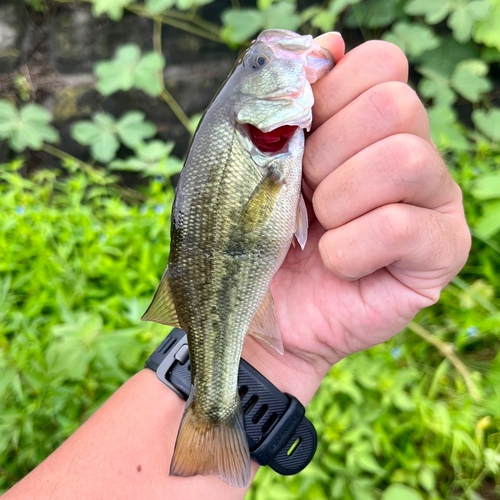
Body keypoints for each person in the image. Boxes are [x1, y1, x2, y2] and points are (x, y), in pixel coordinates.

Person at [2, 32, 471, 500]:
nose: (273, 57)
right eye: (260, 63)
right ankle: (211, 409)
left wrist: (274, 361)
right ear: (254, 115)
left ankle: (211, 410)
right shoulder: (257, 147)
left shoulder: (265, 146)